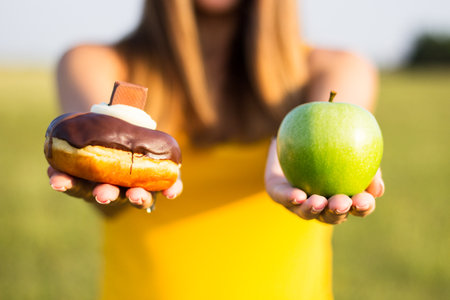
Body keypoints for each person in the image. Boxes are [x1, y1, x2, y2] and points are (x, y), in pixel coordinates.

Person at [48, 0, 385, 299]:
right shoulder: (93, 63)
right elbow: (105, 191)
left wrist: (319, 163)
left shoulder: (335, 69)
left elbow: (337, 140)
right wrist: (103, 183)